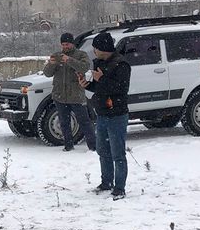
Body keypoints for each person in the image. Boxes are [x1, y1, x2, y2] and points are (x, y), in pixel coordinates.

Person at [78, 32, 132, 198]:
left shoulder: (121, 64)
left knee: (118, 153)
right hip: (101, 113)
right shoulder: (98, 63)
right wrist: (86, 85)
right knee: (103, 150)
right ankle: (106, 182)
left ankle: (120, 187)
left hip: (116, 114)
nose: (94, 51)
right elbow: (98, 88)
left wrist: (101, 79)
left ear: (103, 48)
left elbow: (120, 89)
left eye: (95, 48)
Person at [42, 32, 96, 152]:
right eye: (63, 44)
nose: (65, 47)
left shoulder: (81, 54)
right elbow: (47, 73)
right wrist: (51, 64)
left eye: (67, 44)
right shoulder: (57, 56)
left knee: (84, 122)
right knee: (64, 123)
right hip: (60, 95)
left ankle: (93, 146)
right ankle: (68, 146)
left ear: (72, 43)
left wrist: (69, 60)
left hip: (76, 95)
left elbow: (85, 67)